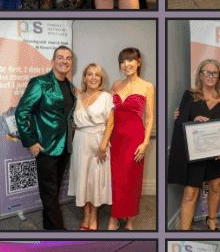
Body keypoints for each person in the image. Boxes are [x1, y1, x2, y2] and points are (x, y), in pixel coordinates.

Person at [15, 46, 76, 230]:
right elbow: (21, 113)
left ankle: (49, 228)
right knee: (49, 193)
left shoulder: (71, 87)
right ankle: (59, 233)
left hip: (65, 147)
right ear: (52, 62)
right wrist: (31, 142)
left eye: (68, 58)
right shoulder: (39, 83)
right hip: (46, 148)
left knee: (53, 192)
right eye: (60, 57)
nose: (64, 61)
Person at [168, 59, 220, 231]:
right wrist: (193, 120)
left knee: (215, 186)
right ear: (200, 75)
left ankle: (211, 220)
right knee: (190, 193)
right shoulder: (189, 95)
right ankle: (184, 231)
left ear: (219, 76)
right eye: (207, 72)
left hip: (217, 152)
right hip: (195, 153)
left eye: (214, 73)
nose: (210, 76)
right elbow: (180, 121)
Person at [105, 48, 154, 230]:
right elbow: (105, 110)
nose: (126, 65)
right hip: (115, 138)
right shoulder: (116, 85)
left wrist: (146, 142)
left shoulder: (147, 86)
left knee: (133, 180)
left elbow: (149, 117)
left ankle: (130, 220)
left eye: (130, 60)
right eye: (123, 62)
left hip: (135, 138)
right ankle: (114, 217)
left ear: (139, 62)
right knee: (116, 180)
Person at [68, 63, 114, 231]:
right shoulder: (77, 97)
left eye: (97, 75)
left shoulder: (106, 97)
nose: (93, 77)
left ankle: (93, 215)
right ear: (84, 78)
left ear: (101, 79)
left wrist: (103, 146)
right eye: (90, 74)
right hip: (80, 140)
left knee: (95, 181)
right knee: (82, 179)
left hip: (98, 141)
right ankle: (85, 214)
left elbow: (110, 123)